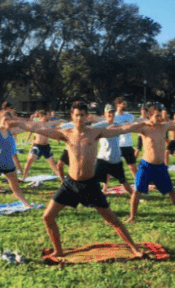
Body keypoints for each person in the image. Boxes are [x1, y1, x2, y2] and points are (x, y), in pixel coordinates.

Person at [14, 101, 146, 258]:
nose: (79, 118)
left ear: (86, 117)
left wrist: (144, 123)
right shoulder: (66, 133)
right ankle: (59, 250)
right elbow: (37, 128)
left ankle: (134, 248)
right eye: (76, 115)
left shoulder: (95, 132)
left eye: (82, 115)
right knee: (47, 217)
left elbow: (123, 129)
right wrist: (15, 123)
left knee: (112, 220)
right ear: (72, 116)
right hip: (70, 184)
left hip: (90, 184)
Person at [127, 105, 175, 222]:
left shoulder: (163, 127)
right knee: (137, 191)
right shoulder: (144, 129)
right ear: (150, 116)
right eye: (157, 116)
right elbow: (129, 128)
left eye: (160, 116)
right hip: (146, 166)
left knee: (171, 191)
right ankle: (132, 217)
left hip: (160, 167)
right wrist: (144, 123)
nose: (160, 118)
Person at [96, 104, 133, 194]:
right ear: (105, 114)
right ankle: (96, 195)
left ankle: (134, 195)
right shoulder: (100, 125)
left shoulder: (117, 125)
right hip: (103, 158)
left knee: (123, 181)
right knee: (93, 179)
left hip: (115, 158)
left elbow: (127, 127)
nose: (110, 114)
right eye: (109, 113)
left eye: (112, 112)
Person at [21, 110, 63, 183]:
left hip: (46, 146)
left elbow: (58, 122)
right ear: (43, 116)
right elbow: (30, 130)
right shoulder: (36, 124)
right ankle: (23, 178)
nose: (49, 116)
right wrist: (31, 146)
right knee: (29, 162)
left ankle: (61, 178)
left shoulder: (49, 123)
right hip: (37, 146)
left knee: (52, 164)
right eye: (47, 115)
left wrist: (63, 121)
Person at [114, 97, 139, 180]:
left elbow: (139, 120)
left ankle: (137, 182)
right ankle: (105, 187)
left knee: (132, 166)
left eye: (125, 103)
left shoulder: (129, 116)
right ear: (117, 104)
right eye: (122, 103)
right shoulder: (113, 116)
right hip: (117, 145)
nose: (124, 104)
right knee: (111, 167)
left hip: (128, 145)